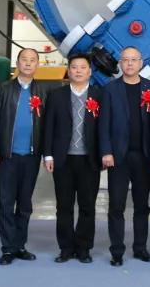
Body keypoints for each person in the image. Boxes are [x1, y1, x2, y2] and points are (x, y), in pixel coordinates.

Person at [0, 48, 47, 265]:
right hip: (8, 156)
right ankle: (8, 249)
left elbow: (47, 126)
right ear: (17, 63)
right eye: (24, 60)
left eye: (32, 60)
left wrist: (47, 154)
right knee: (6, 202)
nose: (28, 63)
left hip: (31, 156)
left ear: (37, 64)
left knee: (25, 204)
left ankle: (20, 245)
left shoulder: (43, 91)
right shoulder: (4, 89)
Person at [99, 46, 150, 266]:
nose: (130, 63)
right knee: (116, 205)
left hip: (143, 156)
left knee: (142, 206)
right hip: (118, 157)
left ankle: (140, 248)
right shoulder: (110, 90)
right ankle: (117, 251)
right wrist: (106, 151)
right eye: (126, 60)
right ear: (120, 63)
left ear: (141, 63)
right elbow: (103, 124)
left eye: (134, 60)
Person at [43, 53, 102, 264]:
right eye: (74, 67)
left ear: (90, 71)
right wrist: (48, 154)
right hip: (63, 159)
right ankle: (66, 248)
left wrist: (105, 153)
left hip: (89, 160)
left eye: (82, 67)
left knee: (88, 206)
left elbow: (104, 128)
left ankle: (84, 248)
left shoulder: (99, 95)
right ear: (68, 70)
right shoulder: (56, 95)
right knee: (64, 206)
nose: (78, 71)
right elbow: (48, 126)